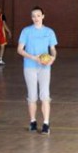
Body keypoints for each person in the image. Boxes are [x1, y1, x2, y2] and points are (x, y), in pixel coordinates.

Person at [17, 7, 57, 135]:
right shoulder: (26, 31)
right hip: (30, 66)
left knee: (45, 95)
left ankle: (46, 123)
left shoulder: (49, 32)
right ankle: (33, 121)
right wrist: (33, 57)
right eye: (33, 16)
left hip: (44, 67)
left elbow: (53, 49)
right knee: (32, 96)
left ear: (43, 16)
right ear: (31, 17)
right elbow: (20, 50)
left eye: (38, 15)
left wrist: (52, 58)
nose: (36, 18)